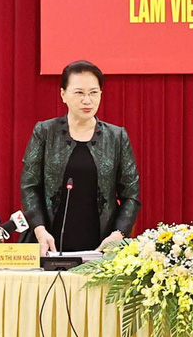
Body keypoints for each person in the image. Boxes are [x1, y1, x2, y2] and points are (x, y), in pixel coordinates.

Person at [19, 60, 141, 256]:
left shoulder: (116, 137)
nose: (87, 100)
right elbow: (29, 187)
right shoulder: (44, 132)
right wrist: (40, 230)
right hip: (48, 244)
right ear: (63, 94)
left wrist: (118, 235)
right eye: (79, 93)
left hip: (101, 247)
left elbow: (131, 196)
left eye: (93, 92)